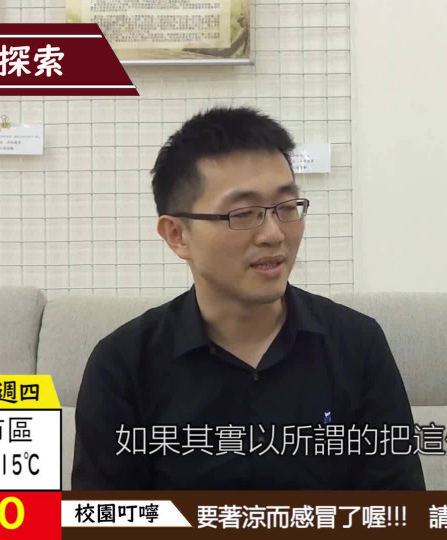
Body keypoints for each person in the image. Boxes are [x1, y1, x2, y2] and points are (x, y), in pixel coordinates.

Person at [72, 106, 425, 490]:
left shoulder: (357, 344)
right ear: (177, 235)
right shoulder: (123, 365)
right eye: (243, 213)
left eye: (286, 208)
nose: (274, 234)